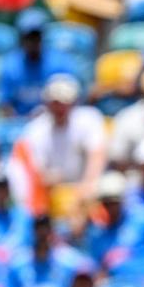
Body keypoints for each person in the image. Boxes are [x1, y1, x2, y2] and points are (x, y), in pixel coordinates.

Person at [10, 74, 107, 207]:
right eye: (55, 103)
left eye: (64, 102)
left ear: (74, 102)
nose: (59, 108)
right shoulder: (35, 130)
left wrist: (87, 185)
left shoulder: (89, 119)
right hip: (52, 193)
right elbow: (38, 172)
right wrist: (50, 178)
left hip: (87, 187)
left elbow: (97, 155)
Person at [0, 9, 74, 116]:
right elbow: (5, 103)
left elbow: (70, 99)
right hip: (19, 123)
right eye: (29, 37)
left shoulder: (60, 62)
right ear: (22, 38)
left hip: (51, 122)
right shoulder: (10, 64)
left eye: (36, 36)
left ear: (43, 37)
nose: (33, 42)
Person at [5, 215, 86, 287]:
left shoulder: (69, 261)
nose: (42, 234)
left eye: (45, 230)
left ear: (52, 232)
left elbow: (91, 276)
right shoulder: (18, 263)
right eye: (38, 230)